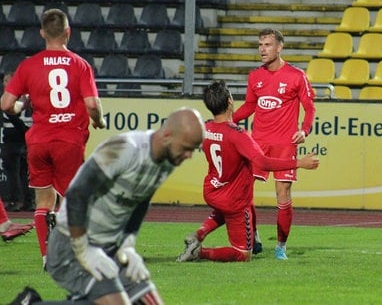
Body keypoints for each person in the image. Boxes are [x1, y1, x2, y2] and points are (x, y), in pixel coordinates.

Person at [10, 107, 205, 304]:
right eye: (187, 147)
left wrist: (128, 245)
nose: (189, 156)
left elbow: (141, 201)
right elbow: (78, 193)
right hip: (70, 243)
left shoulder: (167, 160)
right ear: (168, 135)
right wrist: (83, 248)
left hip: (108, 247)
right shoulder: (126, 149)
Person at [0, 8, 106, 268]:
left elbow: (6, 104)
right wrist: (99, 120)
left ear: (42, 33)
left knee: (43, 201)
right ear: (68, 32)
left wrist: (20, 107)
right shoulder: (80, 65)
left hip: (38, 142)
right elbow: (92, 104)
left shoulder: (28, 66)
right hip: (68, 140)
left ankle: (48, 256)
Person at [176, 81, 319, 263]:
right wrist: (300, 163)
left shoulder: (205, 127)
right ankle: (199, 252)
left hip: (212, 191)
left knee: (228, 207)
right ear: (230, 101)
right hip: (233, 200)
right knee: (242, 254)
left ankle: (199, 234)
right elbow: (263, 162)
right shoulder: (238, 134)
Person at [233, 28, 316, 260]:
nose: (262, 49)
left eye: (267, 45)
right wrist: (229, 120)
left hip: (284, 144)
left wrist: (304, 129)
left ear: (279, 47)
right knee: (243, 192)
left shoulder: (296, 76)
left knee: (282, 193)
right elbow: (250, 106)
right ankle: (255, 236)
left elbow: (309, 108)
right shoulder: (254, 77)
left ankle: (280, 246)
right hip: (257, 144)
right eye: (260, 45)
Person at [1, 71, 35, 212]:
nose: (5, 83)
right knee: (25, 172)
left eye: (7, 80)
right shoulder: (28, 97)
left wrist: (25, 131)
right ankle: (29, 201)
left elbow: (12, 117)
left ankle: (15, 201)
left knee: (13, 172)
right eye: (4, 80)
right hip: (28, 138)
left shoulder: (7, 99)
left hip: (13, 140)